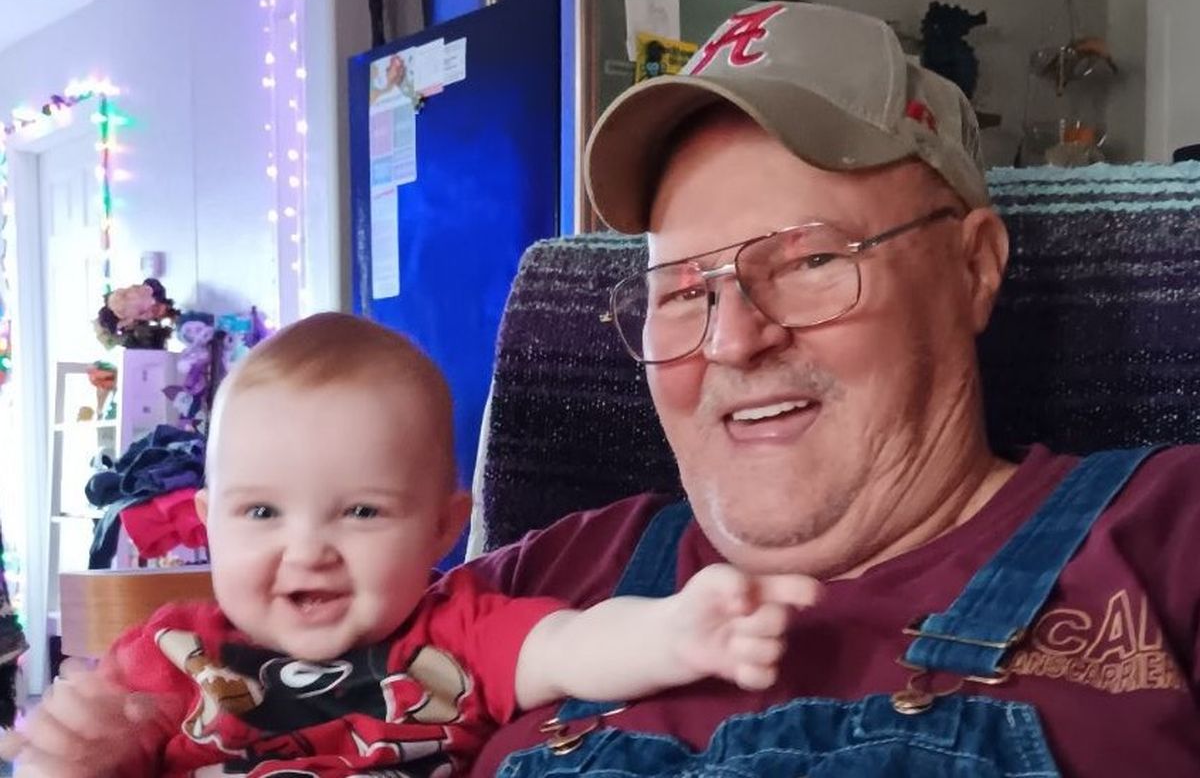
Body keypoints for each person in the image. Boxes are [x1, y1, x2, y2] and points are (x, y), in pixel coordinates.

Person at [464, 2, 1200, 777]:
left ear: (973, 267)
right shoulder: (537, 589)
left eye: (808, 262)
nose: (732, 340)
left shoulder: (1172, 541)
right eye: (681, 292)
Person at [0, 313, 819, 777]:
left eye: (360, 512)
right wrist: (72, 754)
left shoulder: (459, 632)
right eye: (261, 513)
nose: (308, 549)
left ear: (443, 526)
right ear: (208, 520)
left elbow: (572, 647)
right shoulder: (170, 657)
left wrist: (681, 629)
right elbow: (68, 758)